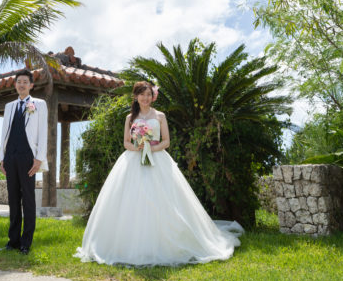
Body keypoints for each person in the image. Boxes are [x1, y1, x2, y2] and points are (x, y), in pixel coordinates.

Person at [75, 81, 243, 267]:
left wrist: (151, 149)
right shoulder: (130, 117)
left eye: (148, 95)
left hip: (158, 159)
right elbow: (125, 143)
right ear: (136, 96)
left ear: (152, 96)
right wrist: (138, 147)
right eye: (142, 95)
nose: (145, 98)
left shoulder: (160, 116)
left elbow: (167, 141)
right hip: (133, 160)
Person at [0, 69, 48, 255]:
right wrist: (2, 158)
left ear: (31, 85)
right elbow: (4, 133)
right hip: (10, 156)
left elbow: (43, 131)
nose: (22, 84)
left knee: (28, 199)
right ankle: (13, 241)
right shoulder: (9, 106)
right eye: (19, 82)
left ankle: (26, 243)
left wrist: (39, 158)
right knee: (13, 200)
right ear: (15, 85)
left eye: (25, 82)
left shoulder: (39, 104)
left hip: (28, 156)